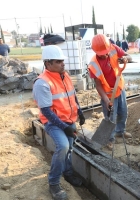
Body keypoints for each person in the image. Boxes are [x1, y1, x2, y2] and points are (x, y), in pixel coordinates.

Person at [33, 45, 85, 200]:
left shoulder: (64, 75)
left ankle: (67, 173)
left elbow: (72, 96)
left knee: (70, 148)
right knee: (63, 146)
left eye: (63, 61)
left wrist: (80, 112)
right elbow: (47, 112)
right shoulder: (42, 83)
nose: (63, 64)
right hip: (53, 123)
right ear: (48, 64)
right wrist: (64, 127)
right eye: (58, 61)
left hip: (69, 119)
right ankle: (54, 183)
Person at [87, 34, 132, 150]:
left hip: (119, 88)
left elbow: (129, 56)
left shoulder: (113, 48)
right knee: (110, 117)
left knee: (123, 112)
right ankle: (109, 139)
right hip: (107, 94)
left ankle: (120, 131)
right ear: (95, 51)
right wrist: (106, 100)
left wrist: (126, 58)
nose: (106, 55)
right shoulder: (93, 65)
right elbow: (98, 85)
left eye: (107, 51)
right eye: (103, 54)